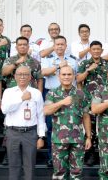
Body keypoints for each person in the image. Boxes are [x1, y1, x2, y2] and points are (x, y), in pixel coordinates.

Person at [44, 65, 92, 180]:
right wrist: (61, 102)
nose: (66, 77)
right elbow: (46, 111)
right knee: (59, 173)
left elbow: (86, 116)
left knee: (77, 172)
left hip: (77, 139)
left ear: (74, 76)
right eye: (64, 74)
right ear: (59, 76)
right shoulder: (52, 93)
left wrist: (88, 137)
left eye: (69, 74)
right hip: (59, 139)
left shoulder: (81, 94)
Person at [0, 65, 46, 180]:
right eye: (19, 74)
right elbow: (4, 109)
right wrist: (21, 99)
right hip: (13, 132)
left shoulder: (36, 93)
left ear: (30, 77)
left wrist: (41, 136)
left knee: (29, 167)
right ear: (15, 76)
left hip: (30, 133)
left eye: (25, 74)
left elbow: (40, 115)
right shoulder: (8, 92)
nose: (22, 77)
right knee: (14, 166)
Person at [41, 35, 78, 166]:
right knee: (52, 127)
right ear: (54, 46)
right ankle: (52, 157)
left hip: (70, 94)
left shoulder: (73, 60)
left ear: (66, 46)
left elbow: (77, 78)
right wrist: (58, 67)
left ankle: (70, 157)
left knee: (71, 125)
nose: (60, 46)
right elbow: (43, 72)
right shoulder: (48, 59)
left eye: (62, 44)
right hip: (52, 94)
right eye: (57, 44)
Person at [76, 40, 108, 166]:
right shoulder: (84, 63)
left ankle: (103, 155)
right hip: (88, 101)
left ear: (102, 50)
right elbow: (78, 79)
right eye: (93, 49)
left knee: (103, 127)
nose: (96, 51)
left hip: (102, 100)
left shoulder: (106, 64)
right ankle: (90, 155)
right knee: (90, 129)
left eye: (98, 49)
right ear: (90, 50)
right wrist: (88, 70)